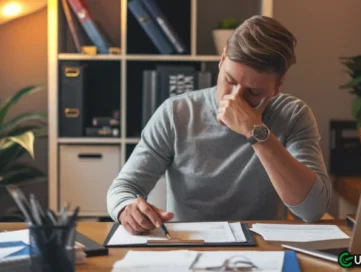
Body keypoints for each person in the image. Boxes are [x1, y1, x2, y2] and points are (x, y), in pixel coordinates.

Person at [107, 15, 331, 235]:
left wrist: (256, 133)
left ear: (278, 85)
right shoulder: (176, 114)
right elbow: (123, 187)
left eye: (254, 92)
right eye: (230, 81)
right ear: (222, 59)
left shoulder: (293, 115)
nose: (236, 99)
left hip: (262, 250)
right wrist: (127, 208)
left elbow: (312, 209)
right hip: (189, 247)